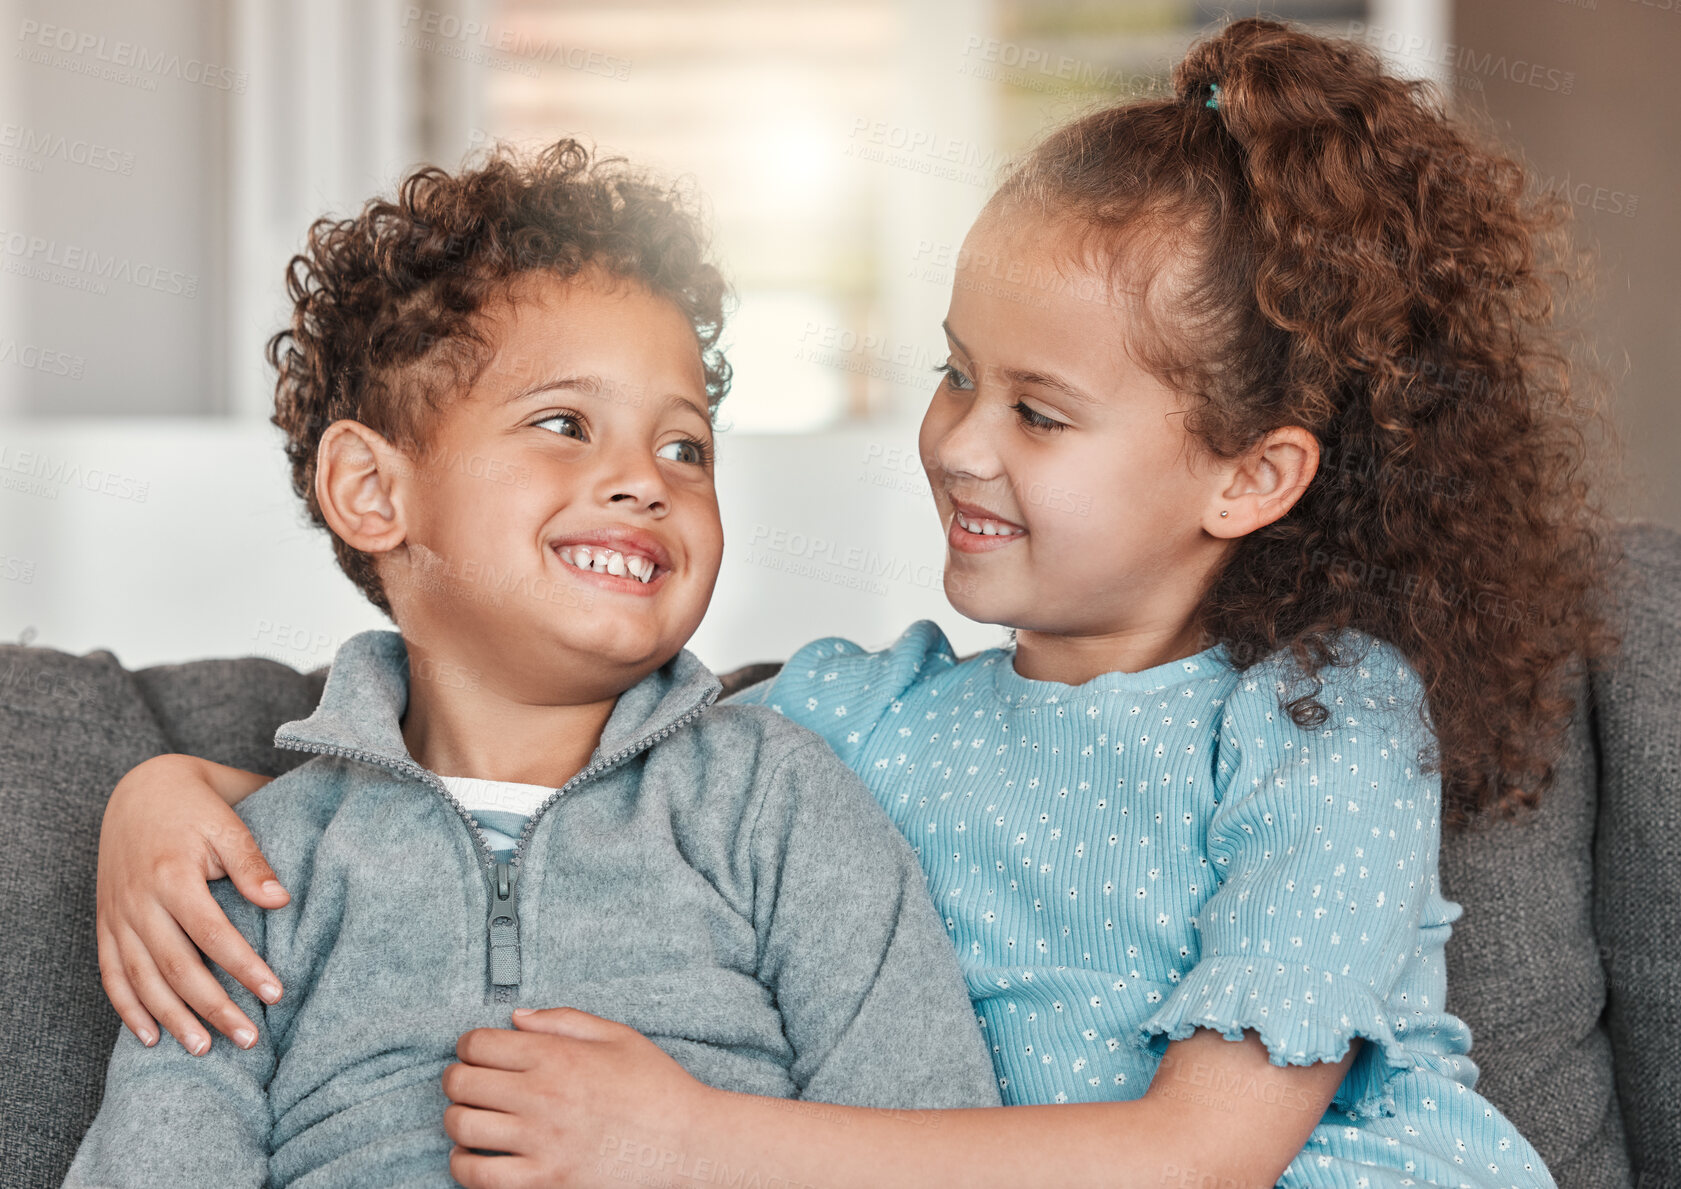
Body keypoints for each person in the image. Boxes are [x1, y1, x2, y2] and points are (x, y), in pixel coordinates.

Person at [92, 17, 1623, 1187]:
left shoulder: (1319, 717)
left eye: (1038, 411)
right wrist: (166, 795)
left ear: (1247, 477)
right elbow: (538, 773)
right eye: (957, 373)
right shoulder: (856, 723)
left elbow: (1197, 1156)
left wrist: (697, 1138)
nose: (954, 440)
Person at [63, 138, 1002, 1189]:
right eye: (565, 423)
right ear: (374, 492)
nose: (644, 480)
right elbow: (162, 1156)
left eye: (684, 446)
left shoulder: (779, 805)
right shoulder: (260, 871)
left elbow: (929, 1136)